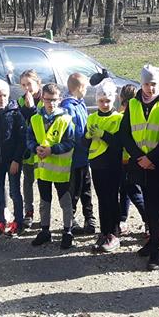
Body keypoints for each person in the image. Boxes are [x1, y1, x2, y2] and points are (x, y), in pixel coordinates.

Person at [118, 64, 159, 270]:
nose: (151, 88)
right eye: (147, 84)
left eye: (154, 84)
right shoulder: (133, 104)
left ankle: (157, 250)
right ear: (141, 84)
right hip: (140, 163)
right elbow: (125, 133)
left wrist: (152, 158)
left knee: (158, 207)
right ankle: (152, 243)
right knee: (148, 205)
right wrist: (139, 157)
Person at [28, 83, 76, 249]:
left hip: (61, 170)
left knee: (65, 201)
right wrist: (35, 148)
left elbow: (70, 142)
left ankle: (67, 231)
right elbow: (29, 139)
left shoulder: (66, 119)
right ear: (42, 99)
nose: (51, 103)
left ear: (60, 99)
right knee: (44, 200)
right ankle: (45, 231)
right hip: (42, 169)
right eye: (48, 100)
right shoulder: (35, 119)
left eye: (54, 100)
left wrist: (52, 150)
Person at [0, 80, 26, 237]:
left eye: (4, 95)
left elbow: (22, 138)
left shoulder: (15, 113)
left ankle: (18, 222)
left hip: (12, 160)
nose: (2, 99)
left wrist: (17, 159)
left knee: (15, 192)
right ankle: (0, 222)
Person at [87, 79, 125, 253]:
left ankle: (114, 233)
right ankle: (104, 232)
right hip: (97, 164)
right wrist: (86, 137)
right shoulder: (92, 117)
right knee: (102, 199)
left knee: (112, 198)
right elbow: (86, 143)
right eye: (101, 101)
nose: (104, 104)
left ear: (113, 99)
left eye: (108, 101)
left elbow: (119, 143)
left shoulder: (118, 118)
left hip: (112, 164)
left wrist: (103, 134)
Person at [64, 72, 96, 235]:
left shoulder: (80, 104)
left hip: (84, 157)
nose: (86, 91)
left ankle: (89, 217)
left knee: (86, 189)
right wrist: (84, 142)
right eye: (85, 88)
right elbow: (73, 132)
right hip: (74, 158)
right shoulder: (68, 107)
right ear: (79, 88)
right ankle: (70, 219)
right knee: (74, 190)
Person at [117, 84, 146, 235]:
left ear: (121, 97)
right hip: (133, 159)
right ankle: (122, 219)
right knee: (125, 191)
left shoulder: (121, 116)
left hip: (126, 161)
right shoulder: (137, 115)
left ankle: (149, 220)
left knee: (133, 191)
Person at [17, 69, 44, 227]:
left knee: (43, 182)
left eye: (29, 84)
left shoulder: (44, 99)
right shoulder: (20, 101)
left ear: (38, 83)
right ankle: (29, 211)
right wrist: (25, 108)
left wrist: (32, 108)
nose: (26, 88)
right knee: (28, 180)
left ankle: (44, 213)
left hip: (42, 148)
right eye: (23, 85)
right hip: (28, 148)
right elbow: (20, 123)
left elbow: (40, 120)